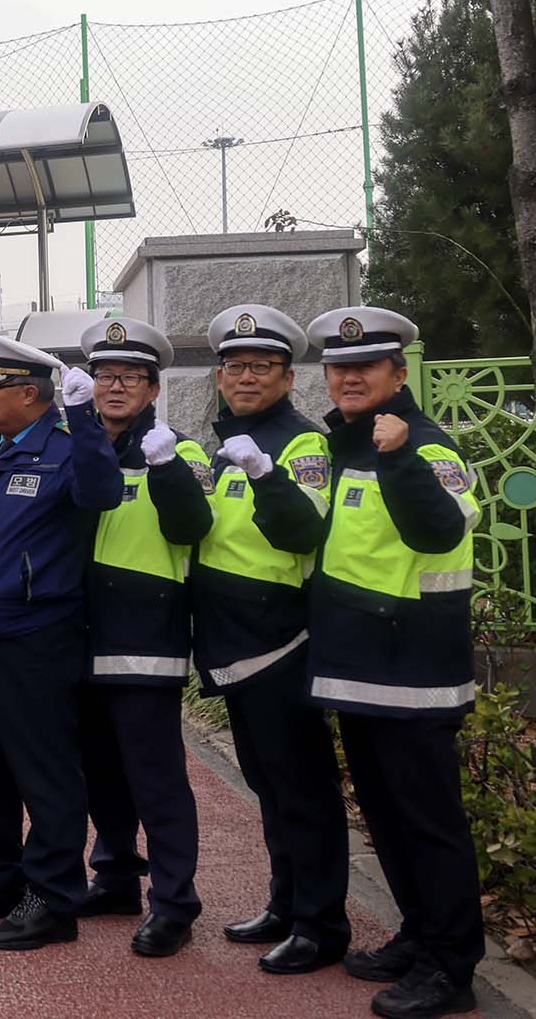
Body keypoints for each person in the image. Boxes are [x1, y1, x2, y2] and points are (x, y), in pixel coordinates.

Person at [305, 307, 484, 1019]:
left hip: (417, 673)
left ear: (398, 374)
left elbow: (439, 533)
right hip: (359, 669)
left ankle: (452, 965)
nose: (350, 377)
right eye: (340, 368)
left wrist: (402, 454)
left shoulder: (429, 447)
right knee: (386, 815)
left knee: (430, 823)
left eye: (366, 367)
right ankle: (420, 933)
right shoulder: (345, 446)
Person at [0, 331, 119, 951]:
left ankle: (53, 895)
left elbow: (102, 494)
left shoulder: (66, 449)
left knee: (44, 770)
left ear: (29, 393)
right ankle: (4, 875)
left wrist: (87, 417)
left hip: (36, 634)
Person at [192, 304, 350, 976]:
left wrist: (264, 472)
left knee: (304, 790)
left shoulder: (301, 444)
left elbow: (299, 534)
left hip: (282, 641)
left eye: (261, 365)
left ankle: (322, 924)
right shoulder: (233, 438)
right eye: (234, 365)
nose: (245, 376)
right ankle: (286, 903)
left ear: (289, 377)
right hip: (235, 643)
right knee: (268, 785)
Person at [72, 316, 211, 958]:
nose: (115, 386)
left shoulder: (177, 450)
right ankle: (118, 877)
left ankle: (175, 902)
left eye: (130, 377)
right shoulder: (76, 444)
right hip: (80, 637)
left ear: (153, 389)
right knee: (99, 773)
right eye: (105, 376)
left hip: (145, 640)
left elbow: (189, 527)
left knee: (155, 778)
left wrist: (165, 470)